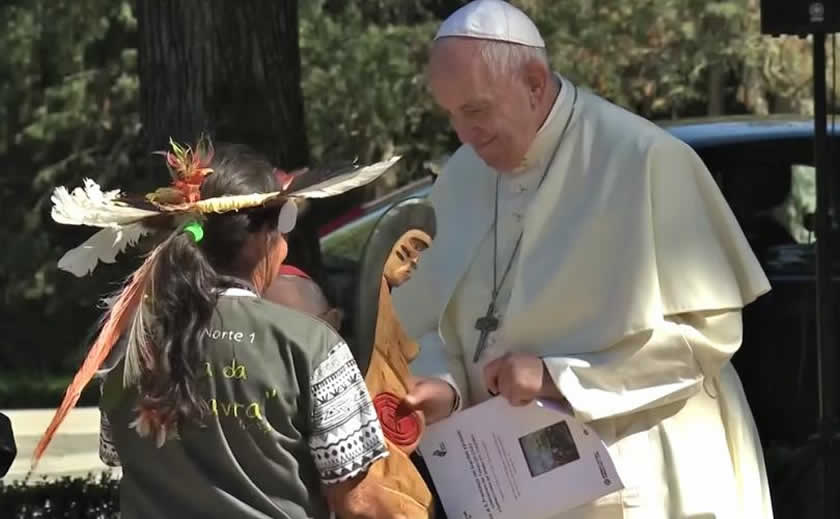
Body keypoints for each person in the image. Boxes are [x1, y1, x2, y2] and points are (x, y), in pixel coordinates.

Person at [392, 1, 774, 518]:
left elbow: (707, 334)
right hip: (510, 481)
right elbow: (433, 318)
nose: (464, 134)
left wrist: (558, 377)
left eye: (476, 110)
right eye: (453, 115)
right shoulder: (465, 174)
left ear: (533, 80)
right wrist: (446, 386)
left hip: (640, 466)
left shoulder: (643, 159)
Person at [40, 139, 400, 519]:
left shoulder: (128, 346)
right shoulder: (311, 345)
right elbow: (358, 506)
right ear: (264, 238)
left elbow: (116, 450)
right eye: (285, 224)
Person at [265, 256, 436, 519]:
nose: (290, 356)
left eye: (300, 335)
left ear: (332, 323)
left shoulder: (375, 404)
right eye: (273, 342)